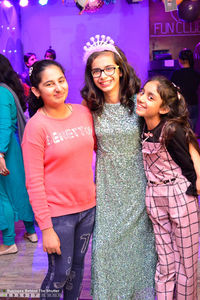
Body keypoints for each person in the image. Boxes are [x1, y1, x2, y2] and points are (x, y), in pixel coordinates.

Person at [81, 35, 157, 299]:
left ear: (121, 69)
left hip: (139, 189)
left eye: (109, 68)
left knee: (141, 250)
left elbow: (169, 133)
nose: (103, 75)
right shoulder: (90, 107)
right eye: (97, 71)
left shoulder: (139, 103)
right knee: (103, 249)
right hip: (107, 191)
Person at [21, 59, 96, 300]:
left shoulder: (83, 113)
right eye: (49, 84)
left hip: (88, 209)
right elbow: (33, 182)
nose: (58, 88)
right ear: (36, 90)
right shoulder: (36, 127)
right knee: (59, 273)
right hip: (58, 214)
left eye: (61, 81)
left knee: (77, 271)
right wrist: (46, 228)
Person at [136, 75, 200, 299]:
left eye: (150, 97)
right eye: (142, 92)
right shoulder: (141, 125)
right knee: (165, 262)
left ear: (163, 108)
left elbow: (190, 164)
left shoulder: (172, 130)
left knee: (187, 262)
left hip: (180, 196)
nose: (142, 98)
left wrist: (196, 182)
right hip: (154, 196)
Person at [0, 54, 38, 256]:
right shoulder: (8, 90)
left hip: (5, 150)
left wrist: (0, 153)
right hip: (13, 148)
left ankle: (8, 242)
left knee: (2, 194)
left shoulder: (0, 92)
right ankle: (31, 232)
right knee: (20, 191)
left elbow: (4, 125)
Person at [171, 48, 200, 133]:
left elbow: (171, 88)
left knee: (181, 129)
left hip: (181, 103)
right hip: (194, 103)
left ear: (180, 60)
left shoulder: (176, 74)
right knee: (192, 129)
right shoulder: (196, 73)